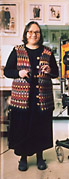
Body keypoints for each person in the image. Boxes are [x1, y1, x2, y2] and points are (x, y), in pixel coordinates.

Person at [4, 21, 59, 171]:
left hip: (42, 98)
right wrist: (18, 73)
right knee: (23, 127)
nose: (33, 35)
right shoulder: (17, 51)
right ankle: (23, 158)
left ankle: (40, 157)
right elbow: (7, 71)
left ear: (40, 35)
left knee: (40, 127)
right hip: (22, 98)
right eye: (30, 32)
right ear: (26, 33)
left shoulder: (47, 52)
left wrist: (49, 70)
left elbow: (56, 73)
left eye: (36, 32)